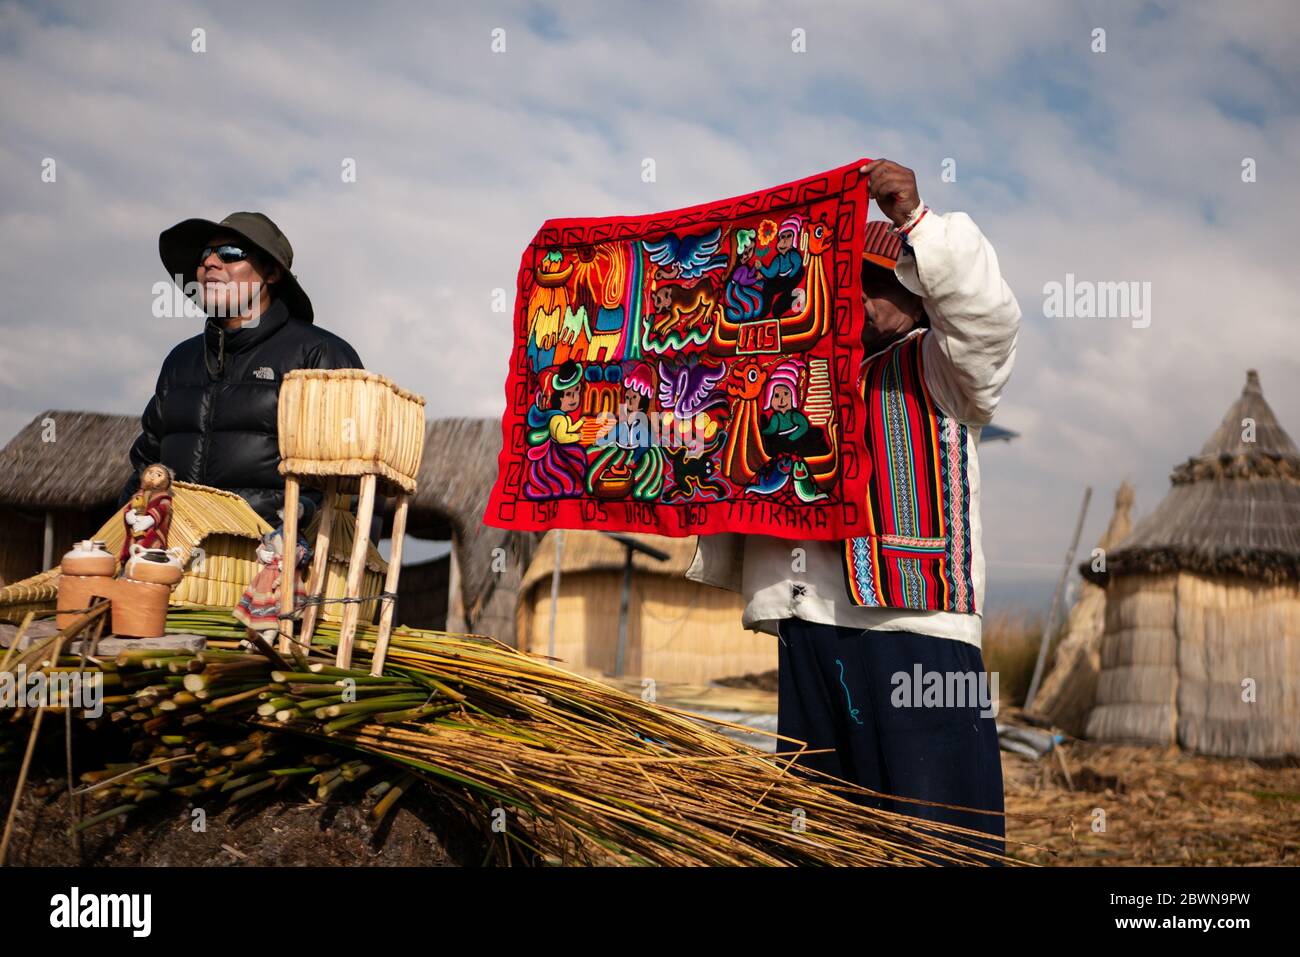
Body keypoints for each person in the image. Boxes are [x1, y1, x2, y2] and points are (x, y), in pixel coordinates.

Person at [687, 158, 1021, 860]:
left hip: (915, 629)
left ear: (922, 293)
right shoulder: (790, 376)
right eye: (852, 286)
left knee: (941, 842)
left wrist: (914, 222)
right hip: (811, 629)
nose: (866, 301)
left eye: (884, 283)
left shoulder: (941, 367)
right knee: (824, 839)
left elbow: (991, 323)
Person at [120, 212, 363, 529]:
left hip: (275, 564)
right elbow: (144, 468)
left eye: (231, 253)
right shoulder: (179, 362)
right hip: (173, 561)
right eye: (204, 255)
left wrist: (306, 560)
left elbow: (353, 488)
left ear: (271, 273)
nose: (210, 263)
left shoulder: (318, 355)